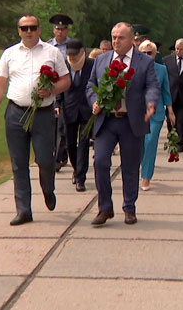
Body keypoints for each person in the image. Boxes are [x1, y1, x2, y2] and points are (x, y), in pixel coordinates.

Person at [0, 14, 71, 226]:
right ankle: (23, 209)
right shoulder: (10, 54)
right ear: (18, 31)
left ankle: (48, 188)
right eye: (24, 28)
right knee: (18, 163)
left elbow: (66, 80)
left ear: (39, 29)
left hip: (42, 114)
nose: (28, 31)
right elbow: (0, 84)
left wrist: (52, 89)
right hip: (16, 112)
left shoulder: (51, 52)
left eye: (32, 27)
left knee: (44, 159)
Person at [86, 22, 160, 225]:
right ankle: (105, 208)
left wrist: (151, 102)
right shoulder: (101, 60)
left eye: (121, 37)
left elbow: (152, 85)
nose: (116, 41)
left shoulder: (144, 62)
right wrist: (94, 101)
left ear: (132, 39)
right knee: (100, 161)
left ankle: (129, 207)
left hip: (130, 121)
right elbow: (91, 85)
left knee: (130, 165)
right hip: (106, 121)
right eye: (113, 37)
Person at [57, 39, 94, 192]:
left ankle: (81, 177)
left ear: (82, 52)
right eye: (69, 55)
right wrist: (57, 105)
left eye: (75, 55)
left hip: (87, 110)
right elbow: (59, 86)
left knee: (84, 144)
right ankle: (75, 167)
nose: (72, 58)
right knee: (70, 144)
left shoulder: (92, 65)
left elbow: (96, 83)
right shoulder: (64, 65)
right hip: (69, 109)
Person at [139, 41, 176, 191]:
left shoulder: (161, 70)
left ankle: (146, 176)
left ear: (155, 55)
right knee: (140, 144)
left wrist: (171, 111)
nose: (147, 55)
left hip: (157, 113)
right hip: (138, 113)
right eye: (144, 53)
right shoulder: (133, 69)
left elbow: (166, 90)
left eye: (150, 53)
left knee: (150, 143)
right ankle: (143, 167)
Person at [48, 14, 73, 172]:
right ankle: (52, 154)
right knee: (51, 126)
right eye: (57, 28)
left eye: (63, 29)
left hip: (67, 88)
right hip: (49, 88)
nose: (60, 32)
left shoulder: (73, 46)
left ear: (67, 30)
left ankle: (59, 156)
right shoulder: (47, 46)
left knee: (63, 127)